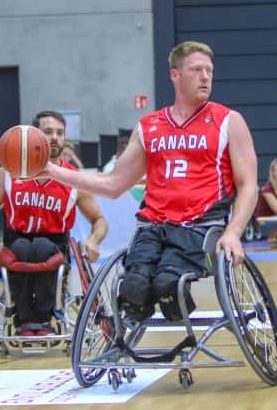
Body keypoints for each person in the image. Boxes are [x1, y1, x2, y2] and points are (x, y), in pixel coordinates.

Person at [37, 41, 258, 323]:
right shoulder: (149, 126)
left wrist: (234, 232)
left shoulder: (229, 121)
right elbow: (114, 184)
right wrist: (53, 171)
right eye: (196, 70)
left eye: (209, 71)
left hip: (199, 227)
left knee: (168, 284)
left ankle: (177, 310)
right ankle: (131, 322)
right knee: (133, 287)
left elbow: (248, 184)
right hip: (152, 227)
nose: (205, 77)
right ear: (175, 75)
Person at [0, 110, 108, 336]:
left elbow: (99, 220)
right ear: (35, 135)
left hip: (55, 246)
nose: (55, 137)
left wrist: (93, 240)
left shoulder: (75, 179)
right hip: (16, 241)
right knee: (23, 248)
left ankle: (43, 317)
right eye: (48, 132)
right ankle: (25, 318)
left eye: (60, 133)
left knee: (41, 247)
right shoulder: (9, 171)